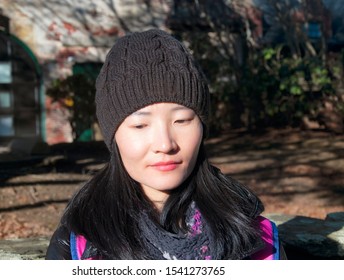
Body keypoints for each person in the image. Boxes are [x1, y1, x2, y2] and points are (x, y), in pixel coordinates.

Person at [46, 29, 286, 260]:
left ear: (202, 127)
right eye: (140, 125)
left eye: (181, 120)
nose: (165, 144)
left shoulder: (253, 237)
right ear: (114, 135)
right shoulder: (81, 243)